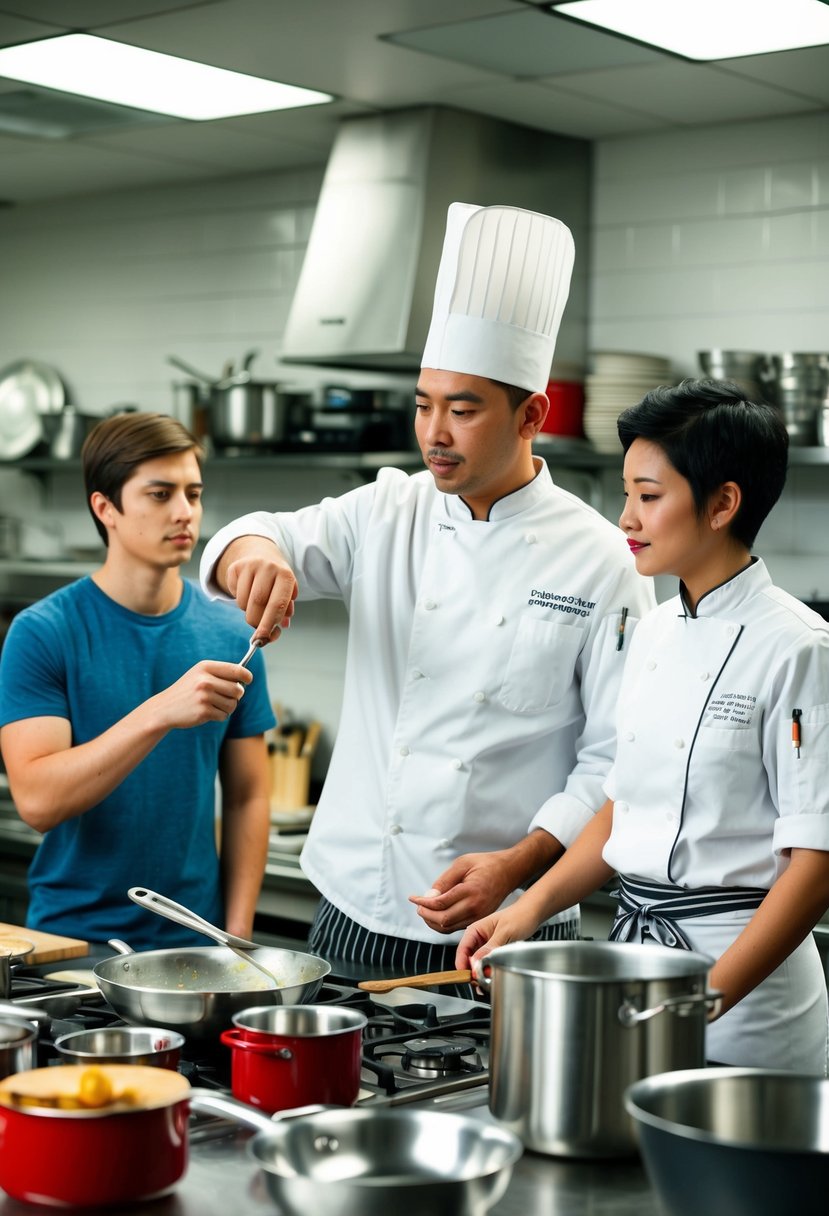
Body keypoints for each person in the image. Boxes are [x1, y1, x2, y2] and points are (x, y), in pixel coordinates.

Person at [199, 202, 654, 981]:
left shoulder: (601, 559)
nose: (434, 431)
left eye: (463, 409)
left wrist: (518, 864)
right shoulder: (387, 509)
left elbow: (616, 761)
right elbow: (251, 533)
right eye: (423, 404)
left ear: (531, 415)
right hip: (348, 912)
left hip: (509, 927)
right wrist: (255, 554)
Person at [458, 377, 829, 1072]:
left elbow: (814, 869)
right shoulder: (654, 629)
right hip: (642, 974)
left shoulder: (799, 647)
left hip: (747, 1009)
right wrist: (524, 910)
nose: (624, 518)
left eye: (647, 497)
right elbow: (624, 809)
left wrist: (702, 1000)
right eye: (626, 493)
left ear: (722, 503)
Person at [0, 412, 276, 951]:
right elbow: (37, 801)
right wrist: (159, 712)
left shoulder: (231, 632)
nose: (184, 512)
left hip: (197, 944)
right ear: (106, 509)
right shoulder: (43, 632)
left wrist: (237, 934)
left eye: (193, 494)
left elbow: (248, 795)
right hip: (71, 944)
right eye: (159, 494)